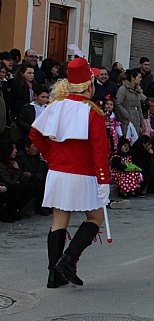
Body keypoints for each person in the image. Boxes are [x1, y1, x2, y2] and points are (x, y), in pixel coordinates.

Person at [29, 57, 110, 288]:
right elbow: (99, 149)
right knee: (95, 218)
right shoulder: (92, 111)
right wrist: (103, 180)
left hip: (57, 172)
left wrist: (51, 156)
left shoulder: (56, 105)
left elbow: (35, 135)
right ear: (89, 86)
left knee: (59, 220)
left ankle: (53, 275)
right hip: (83, 174)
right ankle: (68, 259)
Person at [0, 142, 34, 222]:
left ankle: (16, 210)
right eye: (13, 149)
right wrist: (17, 170)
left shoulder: (11, 161)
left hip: (11, 186)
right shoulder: (1, 165)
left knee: (29, 187)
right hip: (5, 187)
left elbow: (21, 178)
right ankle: (3, 211)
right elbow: (10, 182)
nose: (15, 151)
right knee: (17, 188)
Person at [115, 69, 146, 138]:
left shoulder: (138, 91)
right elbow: (118, 103)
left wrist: (142, 123)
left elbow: (139, 107)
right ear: (132, 78)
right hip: (126, 120)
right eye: (139, 77)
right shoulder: (123, 89)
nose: (140, 79)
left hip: (136, 118)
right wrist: (126, 115)